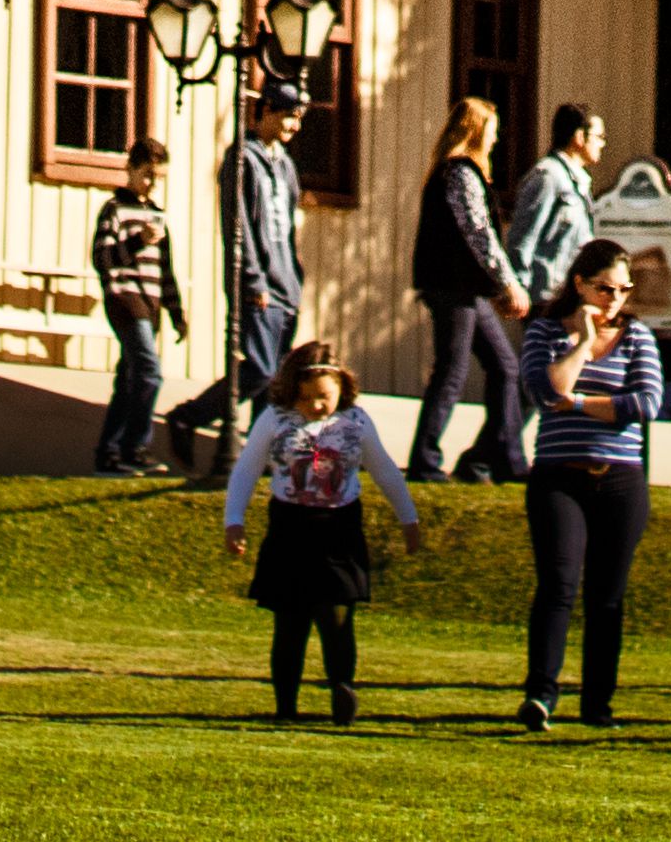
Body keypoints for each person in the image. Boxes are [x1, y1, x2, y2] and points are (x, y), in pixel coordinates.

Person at [220, 338, 418, 725]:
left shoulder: (355, 421)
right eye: (305, 397)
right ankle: (285, 706)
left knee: (337, 617)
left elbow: (384, 470)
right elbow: (245, 470)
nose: (314, 405)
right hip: (290, 527)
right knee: (290, 621)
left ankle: (342, 687)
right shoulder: (275, 419)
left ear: (343, 386)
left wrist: (408, 519)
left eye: (324, 396)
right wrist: (234, 521)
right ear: (291, 391)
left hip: (339, 528)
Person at [513, 240, 664, 733]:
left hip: (620, 478)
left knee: (607, 595)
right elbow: (544, 391)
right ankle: (541, 694)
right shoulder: (544, 331)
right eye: (604, 289)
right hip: (559, 476)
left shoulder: (638, 337)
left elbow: (645, 403)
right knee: (558, 584)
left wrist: (578, 404)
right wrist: (582, 342)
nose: (614, 300)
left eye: (623, 290)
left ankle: (598, 703)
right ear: (580, 284)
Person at [162, 76, 310, 467]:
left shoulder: (285, 166)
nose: (294, 125)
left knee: (275, 382)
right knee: (259, 369)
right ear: (266, 111)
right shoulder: (243, 160)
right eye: (289, 116)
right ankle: (187, 416)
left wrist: (295, 279)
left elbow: (289, 228)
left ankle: (258, 461)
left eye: (299, 118)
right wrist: (253, 280)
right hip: (258, 285)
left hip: (286, 286)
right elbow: (238, 225)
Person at [405, 97, 533, 484]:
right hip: (452, 288)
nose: (494, 140)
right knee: (452, 371)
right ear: (476, 131)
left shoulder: (457, 173)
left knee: (505, 367)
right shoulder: (459, 173)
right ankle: (425, 462)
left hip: (464, 289)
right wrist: (508, 283)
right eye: (491, 132)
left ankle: (504, 457)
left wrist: (494, 284)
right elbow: (478, 233)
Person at [87, 134, 186, 473]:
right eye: (146, 174)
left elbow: (166, 270)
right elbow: (101, 258)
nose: (151, 183)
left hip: (151, 302)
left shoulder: (157, 215)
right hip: (124, 299)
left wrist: (176, 313)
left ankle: (109, 453)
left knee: (129, 378)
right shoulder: (114, 209)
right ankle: (134, 446)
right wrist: (136, 241)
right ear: (129, 169)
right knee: (149, 372)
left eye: (158, 177)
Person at [496, 103, 604, 310]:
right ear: (580, 137)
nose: (603, 144)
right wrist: (518, 287)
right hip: (546, 300)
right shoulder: (548, 177)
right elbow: (523, 237)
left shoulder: (578, 181)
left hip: (572, 297)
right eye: (599, 137)